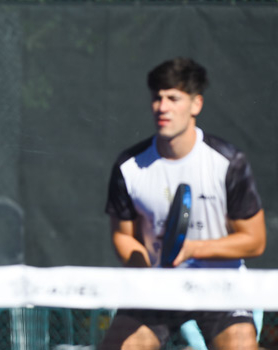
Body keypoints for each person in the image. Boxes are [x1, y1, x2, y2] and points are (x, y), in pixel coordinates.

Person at [101, 57, 266, 350]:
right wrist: (143, 270)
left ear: (196, 104)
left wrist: (192, 249)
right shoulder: (129, 166)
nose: (162, 107)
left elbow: (255, 241)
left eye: (173, 98)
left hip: (221, 289)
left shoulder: (228, 162)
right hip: (158, 290)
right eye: (157, 98)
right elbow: (122, 235)